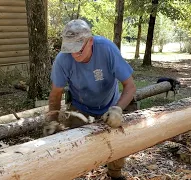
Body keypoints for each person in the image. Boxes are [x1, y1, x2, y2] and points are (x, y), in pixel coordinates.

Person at [45, 19, 136, 180]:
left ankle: (115, 174)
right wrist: (52, 120)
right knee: (74, 144)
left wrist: (118, 108)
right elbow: (55, 94)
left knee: (118, 140)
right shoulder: (62, 60)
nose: (74, 55)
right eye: (70, 50)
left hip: (110, 102)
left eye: (79, 50)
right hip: (81, 106)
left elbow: (130, 86)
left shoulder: (107, 49)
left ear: (90, 42)